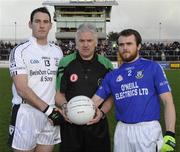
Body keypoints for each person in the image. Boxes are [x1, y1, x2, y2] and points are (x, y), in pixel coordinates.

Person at [92, 29, 176, 152]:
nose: (125, 48)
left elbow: (168, 101)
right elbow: (95, 100)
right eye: (121, 45)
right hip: (122, 131)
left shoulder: (153, 67)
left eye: (129, 44)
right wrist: (74, 110)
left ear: (139, 46)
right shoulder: (112, 75)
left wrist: (170, 133)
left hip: (148, 130)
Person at [8, 7, 64, 152]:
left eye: (46, 22)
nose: (41, 25)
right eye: (37, 21)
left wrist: (59, 108)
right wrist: (48, 111)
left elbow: (59, 86)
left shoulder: (57, 51)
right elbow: (22, 89)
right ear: (30, 24)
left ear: (51, 25)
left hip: (52, 115)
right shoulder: (20, 50)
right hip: (27, 113)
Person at [55, 23, 113, 152]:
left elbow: (110, 96)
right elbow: (59, 94)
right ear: (76, 43)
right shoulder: (65, 62)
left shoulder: (106, 65)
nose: (85, 44)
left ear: (96, 43)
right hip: (71, 126)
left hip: (97, 125)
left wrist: (102, 113)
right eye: (81, 41)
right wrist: (65, 107)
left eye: (89, 40)